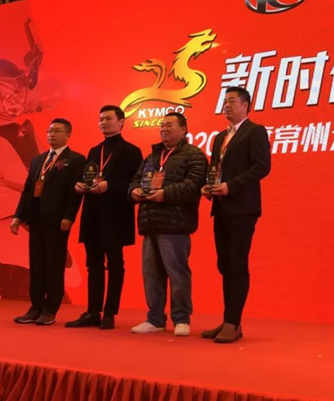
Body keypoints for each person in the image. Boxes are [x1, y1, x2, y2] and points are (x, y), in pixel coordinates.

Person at [201, 87, 271, 343]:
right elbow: (215, 168)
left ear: (245, 105)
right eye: (225, 101)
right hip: (221, 207)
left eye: (232, 101)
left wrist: (231, 186)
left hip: (243, 207)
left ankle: (233, 322)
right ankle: (229, 320)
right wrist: (208, 186)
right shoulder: (220, 137)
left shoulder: (255, 131)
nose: (227, 105)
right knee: (224, 264)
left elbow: (261, 167)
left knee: (238, 262)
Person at [128, 112, 207, 336]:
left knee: (177, 273)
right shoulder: (152, 157)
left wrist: (165, 194)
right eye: (162, 125)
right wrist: (133, 191)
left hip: (175, 224)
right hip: (150, 222)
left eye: (169, 125)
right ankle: (155, 319)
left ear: (184, 129)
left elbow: (193, 185)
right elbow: (135, 180)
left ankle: (181, 319)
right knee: (151, 274)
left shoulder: (194, 155)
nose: (164, 129)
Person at [65, 105, 143, 330]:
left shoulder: (131, 151)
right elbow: (89, 178)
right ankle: (92, 311)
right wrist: (81, 185)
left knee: (115, 263)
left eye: (108, 119)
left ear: (121, 122)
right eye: (101, 119)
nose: (104, 123)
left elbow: (135, 182)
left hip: (115, 215)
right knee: (93, 264)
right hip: (93, 213)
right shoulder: (94, 150)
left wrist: (109, 185)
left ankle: (110, 312)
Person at [10, 118, 85, 325]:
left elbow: (74, 193)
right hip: (36, 219)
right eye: (50, 131)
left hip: (57, 220)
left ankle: (50, 309)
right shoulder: (38, 160)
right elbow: (27, 190)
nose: (52, 134)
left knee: (54, 264)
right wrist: (18, 216)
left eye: (57, 131)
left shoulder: (75, 160)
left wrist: (69, 216)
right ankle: (35, 307)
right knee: (36, 265)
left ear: (68, 135)